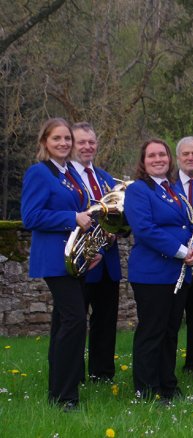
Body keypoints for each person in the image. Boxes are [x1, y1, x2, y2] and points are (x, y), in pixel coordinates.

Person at [123, 139, 193, 402]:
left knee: (170, 332)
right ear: (143, 162)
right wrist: (182, 251)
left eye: (162, 155)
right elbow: (145, 230)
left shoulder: (174, 190)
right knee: (152, 331)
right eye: (152, 155)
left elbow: (191, 225)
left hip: (178, 273)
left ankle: (168, 385)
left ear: (169, 159)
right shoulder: (138, 190)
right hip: (152, 273)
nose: (158, 159)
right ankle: (146, 388)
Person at [22, 118, 91, 410]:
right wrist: (71, 218)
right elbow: (31, 217)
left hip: (73, 258)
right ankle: (65, 396)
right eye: (57, 139)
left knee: (64, 322)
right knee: (75, 321)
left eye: (67, 139)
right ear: (44, 143)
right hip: (53, 259)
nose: (63, 143)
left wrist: (89, 250)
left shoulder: (68, 174)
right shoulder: (39, 173)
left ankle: (60, 391)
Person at [70, 122, 122, 383]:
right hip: (81, 260)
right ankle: (73, 375)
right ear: (71, 144)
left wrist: (116, 229)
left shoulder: (105, 177)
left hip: (108, 260)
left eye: (91, 142)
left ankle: (102, 374)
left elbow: (118, 213)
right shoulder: (66, 177)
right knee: (75, 322)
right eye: (82, 142)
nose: (87, 147)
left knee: (105, 321)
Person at [174, 136, 193, 374]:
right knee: (172, 318)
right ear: (178, 158)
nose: (191, 158)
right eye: (186, 154)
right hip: (175, 262)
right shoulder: (168, 185)